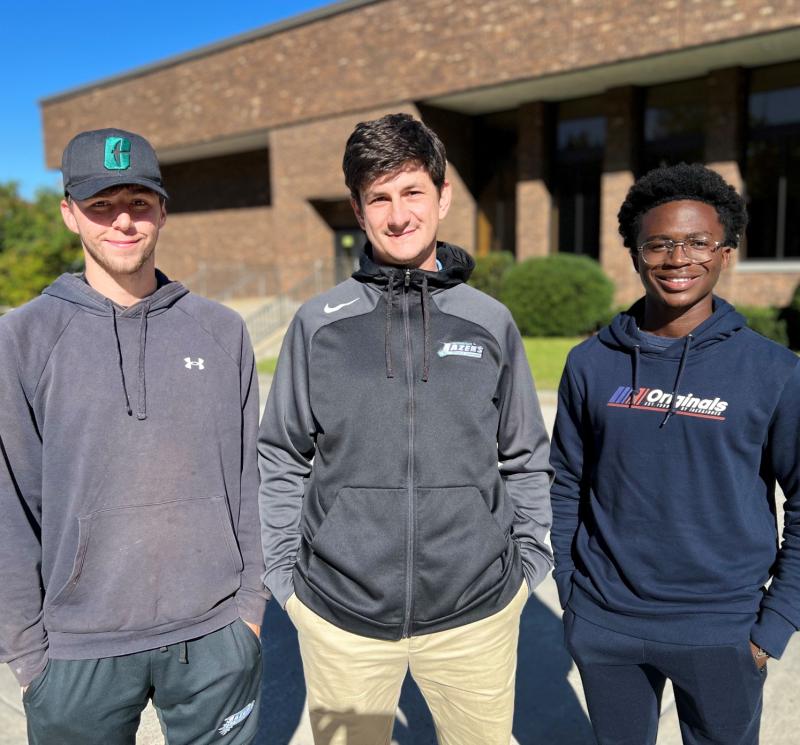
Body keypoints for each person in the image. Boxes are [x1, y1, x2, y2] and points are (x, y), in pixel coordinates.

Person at [258, 112, 552, 745]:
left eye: (412, 191)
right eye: (379, 198)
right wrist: (285, 577)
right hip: (341, 620)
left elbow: (525, 454)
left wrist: (528, 565)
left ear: (443, 197)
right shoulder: (318, 325)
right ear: (359, 212)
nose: (398, 216)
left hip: (476, 614)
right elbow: (281, 455)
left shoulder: (489, 322)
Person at [0, 128, 267, 745]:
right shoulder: (23, 340)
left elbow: (248, 482)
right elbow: (8, 507)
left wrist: (249, 611)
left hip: (214, 636)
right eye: (101, 205)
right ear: (69, 214)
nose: (123, 221)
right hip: (76, 650)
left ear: (163, 210)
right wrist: (27, 655)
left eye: (139, 203)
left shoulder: (221, 332)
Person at [550, 162, 800, 745]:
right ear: (636, 254)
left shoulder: (774, 372)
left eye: (696, 242)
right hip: (605, 623)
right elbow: (566, 483)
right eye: (658, 243)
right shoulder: (591, 364)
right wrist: (571, 593)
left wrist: (775, 625)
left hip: (723, 631)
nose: (677, 258)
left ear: (725, 251)